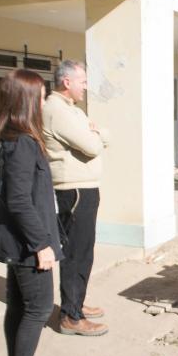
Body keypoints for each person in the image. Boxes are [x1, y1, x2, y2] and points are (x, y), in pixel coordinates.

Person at [0, 69, 61, 356]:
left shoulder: (7, 139)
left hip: (17, 242)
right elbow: (19, 201)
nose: (44, 101)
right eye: (42, 95)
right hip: (27, 245)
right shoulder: (21, 144)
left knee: (19, 307)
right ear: (27, 100)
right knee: (39, 309)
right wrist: (41, 244)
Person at [42, 60, 109, 336]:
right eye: (82, 81)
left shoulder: (70, 110)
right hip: (75, 189)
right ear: (66, 82)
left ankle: (76, 302)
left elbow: (95, 136)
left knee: (84, 251)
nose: (86, 86)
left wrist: (96, 132)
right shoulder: (58, 111)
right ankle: (71, 315)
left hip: (82, 187)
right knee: (76, 253)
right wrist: (97, 134)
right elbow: (93, 145)